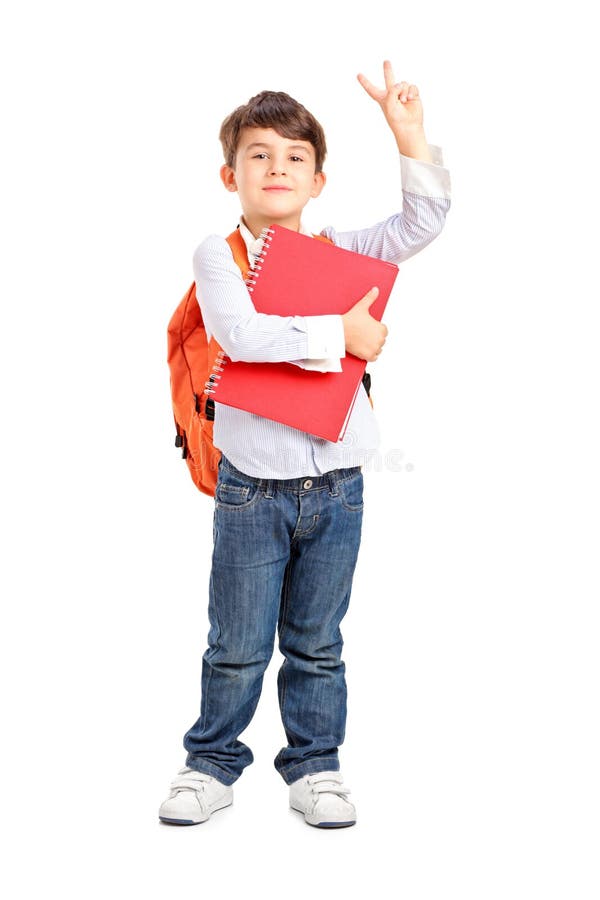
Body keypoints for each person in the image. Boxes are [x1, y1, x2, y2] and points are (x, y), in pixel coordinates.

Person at [159, 61, 451, 828]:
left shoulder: (336, 249)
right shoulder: (218, 255)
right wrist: (342, 334)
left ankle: (316, 767)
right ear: (231, 174)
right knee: (237, 643)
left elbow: (420, 226)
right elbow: (240, 334)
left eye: (295, 157)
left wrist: (409, 132)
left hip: (340, 486)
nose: (277, 168)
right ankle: (210, 764)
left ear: (319, 179)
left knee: (318, 641)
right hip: (251, 486)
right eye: (259, 154)